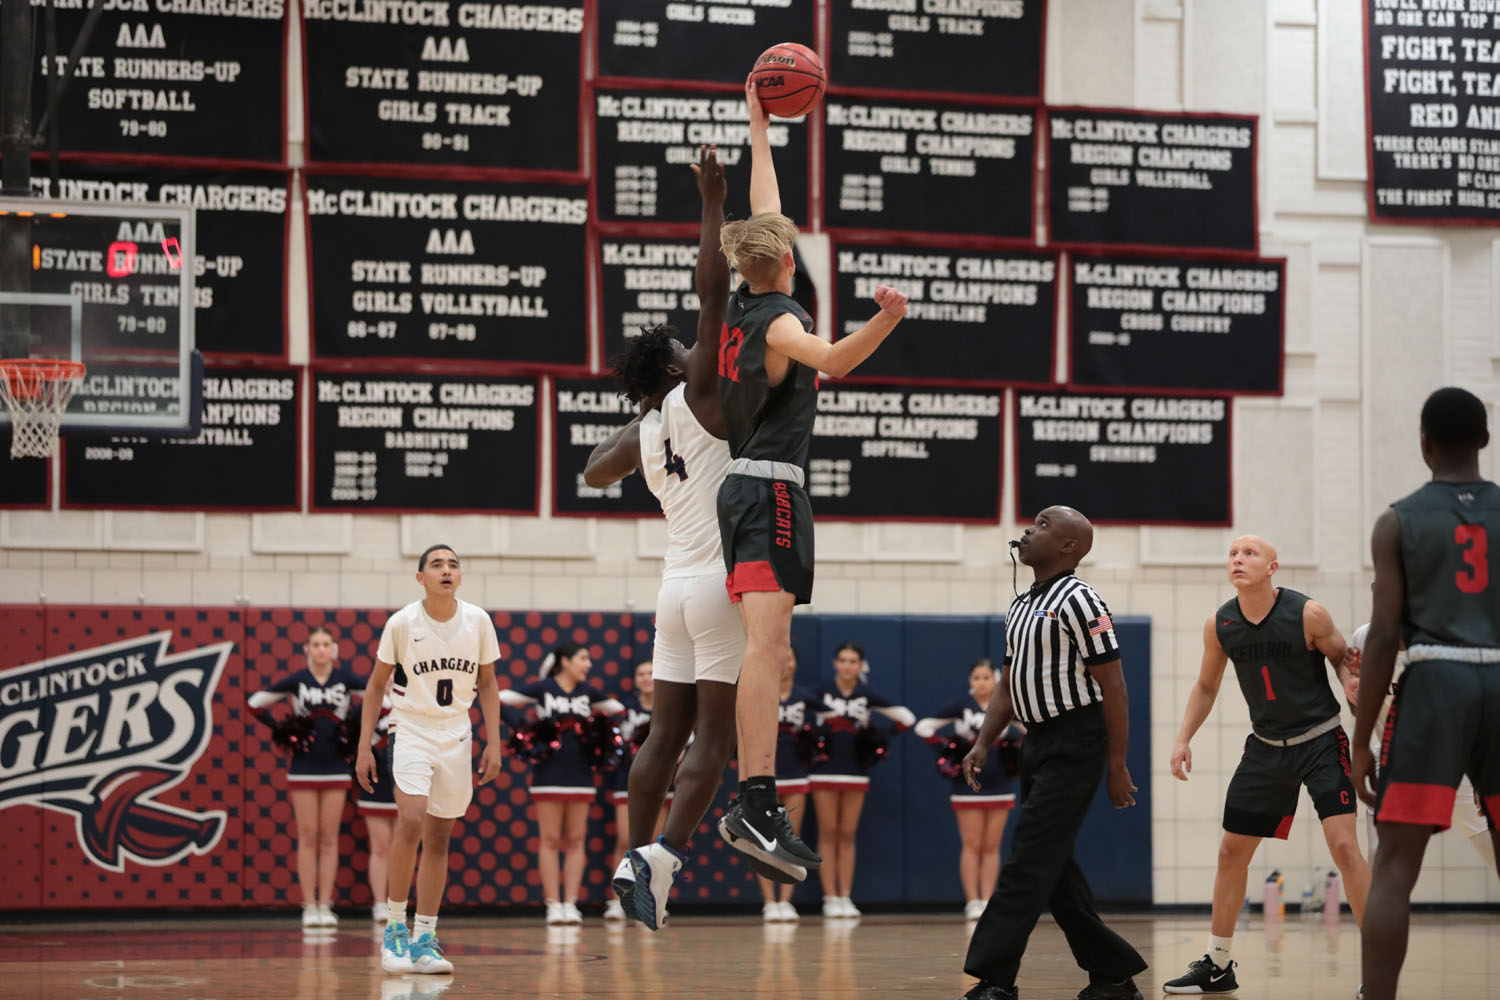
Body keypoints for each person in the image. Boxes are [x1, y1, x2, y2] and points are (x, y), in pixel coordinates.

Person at [716, 78, 909, 883]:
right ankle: (754, 800)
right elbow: (833, 359)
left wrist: (760, 130)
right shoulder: (784, 323)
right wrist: (887, 320)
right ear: (789, 260)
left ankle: (758, 798)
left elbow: (764, 212)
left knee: (769, 646)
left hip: (749, 486)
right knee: (769, 647)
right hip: (772, 492)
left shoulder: (742, 299)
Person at [583, 144, 751, 931]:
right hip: (720, 583)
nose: (695, 346)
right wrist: (714, 203)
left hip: (672, 588)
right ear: (679, 366)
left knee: (662, 734)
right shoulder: (704, 395)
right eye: (685, 350)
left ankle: (631, 854)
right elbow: (712, 290)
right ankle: (661, 860)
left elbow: (589, 473)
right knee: (714, 737)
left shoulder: (644, 430)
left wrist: (642, 413)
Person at [1161, 534, 1368, 995]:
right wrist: (1182, 738)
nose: (1238, 559)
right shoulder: (1221, 624)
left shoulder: (1307, 612)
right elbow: (1206, 686)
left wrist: (1352, 682)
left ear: (1273, 568)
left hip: (1320, 740)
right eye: (1232, 554)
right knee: (1231, 853)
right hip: (1265, 747)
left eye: (1249, 553)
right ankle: (1217, 964)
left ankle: (1379, 965)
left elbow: (1341, 659)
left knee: (1344, 847)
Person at [955, 506, 1146, 1000]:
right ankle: (1113, 974)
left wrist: (1117, 765)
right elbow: (1008, 682)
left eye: (1042, 525)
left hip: (1077, 739)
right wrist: (982, 743)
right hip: (1036, 742)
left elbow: (1116, 687)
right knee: (1053, 865)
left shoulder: (1082, 601)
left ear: (1069, 547)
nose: (1027, 530)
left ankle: (994, 979)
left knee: (1027, 858)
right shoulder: (1020, 605)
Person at [1353, 388, 1500, 1000]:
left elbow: (1384, 634)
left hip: (1436, 682)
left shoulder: (1397, 520)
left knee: (1393, 868)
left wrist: (1360, 741)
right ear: (1486, 440)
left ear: (1424, 443)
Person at [355, 544, 503, 976]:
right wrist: (365, 745)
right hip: (411, 727)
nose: (446, 570)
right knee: (411, 819)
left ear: (460, 577)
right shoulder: (402, 623)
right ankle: (394, 928)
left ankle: (425, 938)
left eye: (453, 565)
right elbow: (374, 686)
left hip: (456, 729)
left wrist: (493, 742)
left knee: (439, 838)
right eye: (436, 564)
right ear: (421, 577)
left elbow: (489, 684)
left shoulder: (478, 621)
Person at [1347, 620, 1497, 874]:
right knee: (1381, 860)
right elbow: (1358, 708)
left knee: (1491, 847)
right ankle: (1377, 913)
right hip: (1394, 760)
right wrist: (1358, 687)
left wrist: (1482, 772)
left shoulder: (1447, 638)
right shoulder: (1365, 638)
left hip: (1451, 757)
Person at [499, 642, 624, 925]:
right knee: (551, 839)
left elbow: (618, 711)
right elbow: (498, 699)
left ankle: (571, 903)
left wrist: (596, 735)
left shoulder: (588, 693)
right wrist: (526, 728)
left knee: (577, 839)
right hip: (548, 774)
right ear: (564, 661)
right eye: (583, 658)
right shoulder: (543, 688)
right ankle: (553, 903)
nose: (588, 664)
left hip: (581, 774)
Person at [248, 624, 363, 929]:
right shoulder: (298, 681)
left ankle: (326, 904)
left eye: (327, 644)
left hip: (337, 766)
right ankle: (308, 906)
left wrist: (353, 728)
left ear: (334, 649)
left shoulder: (346, 679)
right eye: (316, 644)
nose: (322, 649)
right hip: (303, 767)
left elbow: (384, 703)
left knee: (329, 837)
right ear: (307, 650)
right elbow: (255, 704)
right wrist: (284, 731)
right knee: (308, 836)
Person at [808, 643, 914, 918]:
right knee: (828, 832)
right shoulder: (821, 692)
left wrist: (879, 736)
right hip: (823, 771)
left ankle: (845, 896)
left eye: (853, 660)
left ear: (860, 665)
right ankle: (829, 897)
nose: (847, 665)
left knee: (847, 834)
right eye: (842, 660)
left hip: (855, 771)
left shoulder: (866, 695)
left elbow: (907, 719)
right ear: (835, 663)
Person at [915, 658, 1020, 920]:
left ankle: (988, 899)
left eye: (986, 677)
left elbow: (1033, 729)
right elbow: (923, 726)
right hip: (966, 783)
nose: (981, 683)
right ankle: (972, 901)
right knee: (972, 844)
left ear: (995, 678)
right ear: (970, 681)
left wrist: (1015, 749)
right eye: (976, 678)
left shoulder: (1008, 704)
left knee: (992, 845)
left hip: (1000, 783)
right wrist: (950, 747)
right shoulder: (961, 706)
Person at [759, 649, 821, 922]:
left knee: (789, 836)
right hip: (764, 773)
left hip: (796, 773)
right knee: (762, 838)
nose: (785, 661)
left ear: (796, 664)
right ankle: (769, 902)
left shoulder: (806, 697)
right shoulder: (759, 691)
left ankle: (786, 900)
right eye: (781, 656)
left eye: (791, 657)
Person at [605, 660, 664, 921]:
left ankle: (649, 900)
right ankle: (617, 900)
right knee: (626, 840)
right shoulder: (625, 708)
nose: (645, 678)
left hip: (663, 782)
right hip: (627, 781)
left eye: (650, 673)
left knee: (656, 845)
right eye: (640, 673)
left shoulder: (669, 707)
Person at [355, 684, 397, 923]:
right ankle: (380, 903)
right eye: (388, 677)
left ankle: (397, 902)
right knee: (380, 846)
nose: (392, 682)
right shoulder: (369, 709)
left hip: (405, 782)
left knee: (403, 847)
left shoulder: (416, 705)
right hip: (377, 782)